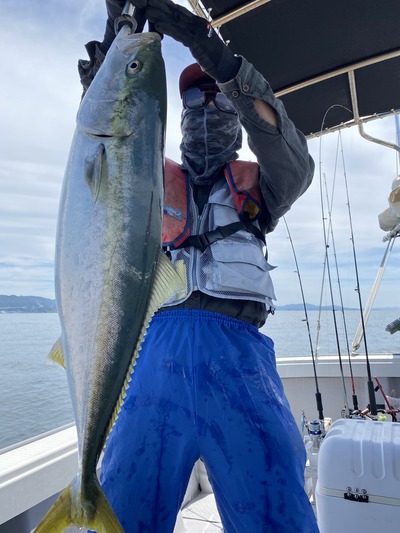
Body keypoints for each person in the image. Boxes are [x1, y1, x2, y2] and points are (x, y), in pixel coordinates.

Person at [81, 1, 319, 531]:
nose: (205, 105)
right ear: (179, 115)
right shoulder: (144, 181)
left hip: (241, 362)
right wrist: (110, 56)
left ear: (235, 112)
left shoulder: (266, 186)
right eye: (193, 97)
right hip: (153, 359)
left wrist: (217, 58)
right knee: (123, 503)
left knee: (277, 507)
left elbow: (295, 157)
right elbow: (104, 160)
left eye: (217, 97)